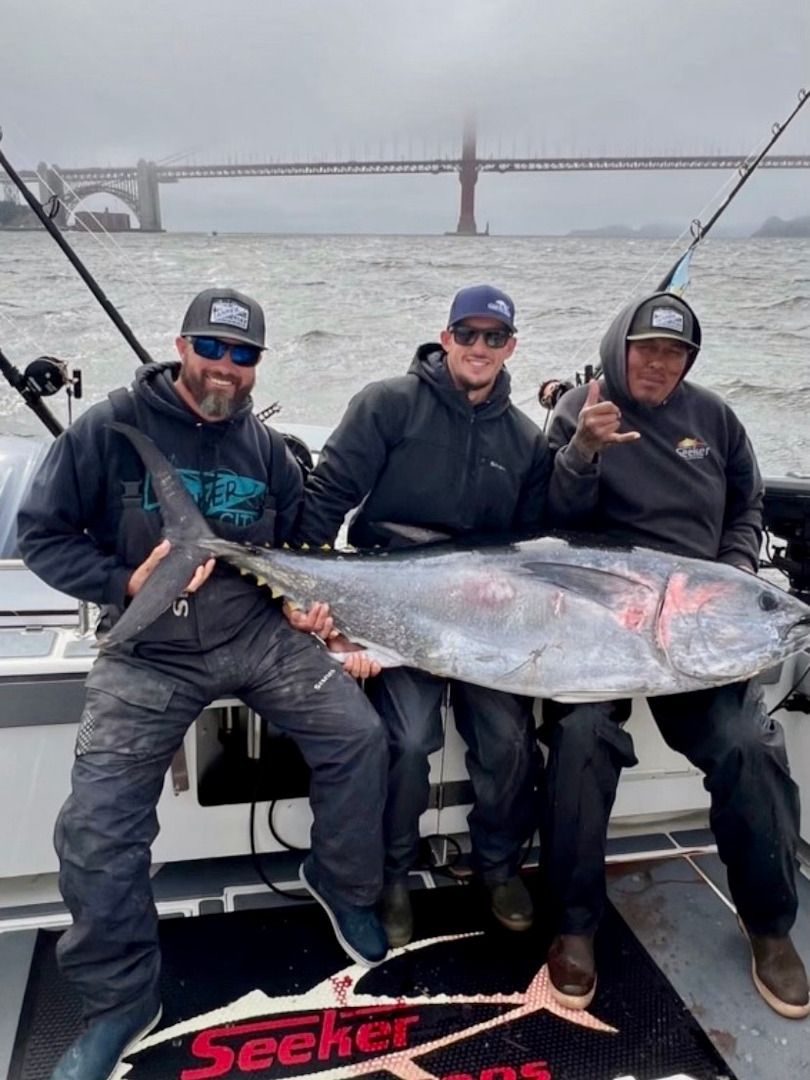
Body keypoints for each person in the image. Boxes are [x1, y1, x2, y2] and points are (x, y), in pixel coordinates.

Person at [16, 288, 390, 1080]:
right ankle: (121, 999)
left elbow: (294, 547)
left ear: (258, 365)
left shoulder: (267, 451)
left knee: (359, 737)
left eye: (243, 355)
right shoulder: (109, 428)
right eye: (211, 349)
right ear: (181, 344)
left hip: (253, 636)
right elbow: (40, 536)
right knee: (96, 827)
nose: (225, 367)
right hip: (147, 650)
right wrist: (123, 581)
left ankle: (340, 878)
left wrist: (306, 606)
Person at [543, 290, 809, 1019]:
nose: (659, 362)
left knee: (746, 745)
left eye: (675, 351)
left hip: (696, 619)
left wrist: (736, 570)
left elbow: (745, 500)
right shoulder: (579, 409)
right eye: (646, 348)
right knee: (579, 738)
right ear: (616, 347)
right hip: (600, 622)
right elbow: (547, 529)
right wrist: (582, 452)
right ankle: (574, 926)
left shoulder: (715, 418)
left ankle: (771, 925)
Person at [293, 285, 552, 948]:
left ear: (511, 348)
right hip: (391, 599)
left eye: (495, 337)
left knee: (509, 741)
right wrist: (304, 598)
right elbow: (326, 501)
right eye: (468, 333)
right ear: (446, 338)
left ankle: (497, 867)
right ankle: (392, 875)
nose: (479, 347)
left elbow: (527, 546)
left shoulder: (525, 440)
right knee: (406, 742)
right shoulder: (389, 404)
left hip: (481, 616)